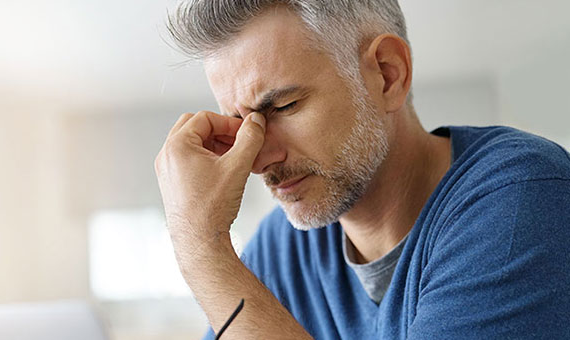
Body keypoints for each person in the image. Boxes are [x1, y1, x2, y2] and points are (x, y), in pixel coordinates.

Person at [154, 1, 570, 339]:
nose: (260, 160)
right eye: (242, 126)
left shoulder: (522, 197)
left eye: (282, 107)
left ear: (388, 75)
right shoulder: (278, 251)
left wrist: (202, 248)